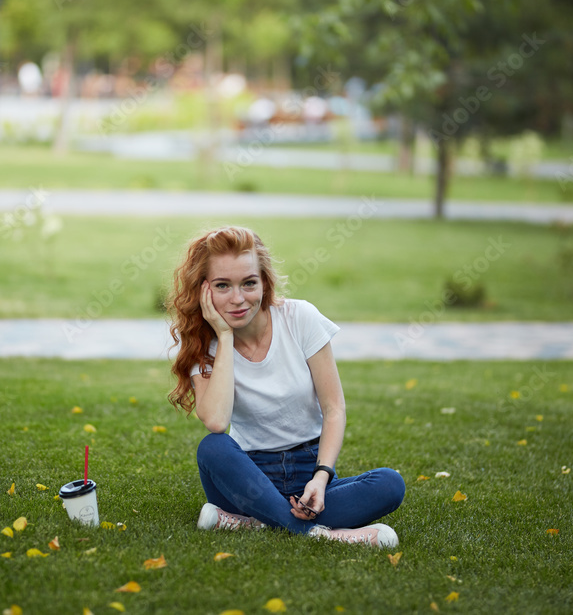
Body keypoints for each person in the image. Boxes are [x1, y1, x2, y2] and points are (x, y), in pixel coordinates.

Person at [167, 226, 405, 547]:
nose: (238, 298)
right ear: (203, 290)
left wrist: (321, 477)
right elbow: (217, 421)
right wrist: (224, 336)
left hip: (309, 471)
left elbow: (334, 408)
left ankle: (257, 521)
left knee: (389, 484)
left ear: (264, 282)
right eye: (223, 285)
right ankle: (320, 534)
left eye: (249, 283)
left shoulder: (299, 318)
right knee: (213, 447)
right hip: (247, 478)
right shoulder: (203, 343)